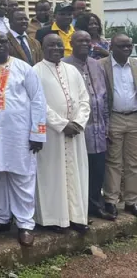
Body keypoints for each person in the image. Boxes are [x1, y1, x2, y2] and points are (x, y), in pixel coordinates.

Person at [0, 32, 47, 247]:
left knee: (22, 177)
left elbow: (38, 100)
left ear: (8, 44)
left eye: (3, 42)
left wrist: (37, 133)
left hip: (19, 134)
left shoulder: (24, 68)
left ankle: (25, 224)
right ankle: (1, 218)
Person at [33, 34, 90, 233]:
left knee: (77, 174)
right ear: (42, 47)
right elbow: (38, 104)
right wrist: (62, 124)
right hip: (52, 134)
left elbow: (84, 100)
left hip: (75, 132)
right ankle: (54, 220)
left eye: (59, 44)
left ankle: (76, 217)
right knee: (52, 176)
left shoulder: (72, 70)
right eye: (51, 45)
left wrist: (78, 123)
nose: (56, 48)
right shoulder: (36, 71)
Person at [63, 31, 113, 221]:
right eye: (80, 40)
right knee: (78, 171)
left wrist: (107, 127)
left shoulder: (96, 65)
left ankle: (95, 205)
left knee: (98, 170)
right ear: (71, 43)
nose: (84, 43)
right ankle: (78, 209)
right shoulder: (65, 65)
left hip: (99, 130)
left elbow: (104, 97)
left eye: (87, 40)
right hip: (77, 130)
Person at [100, 34, 137, 218]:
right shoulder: (102, 65)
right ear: (111, 47)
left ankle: (131, 201)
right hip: (113, 118)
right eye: (122, 46)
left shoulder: (135, 65)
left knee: (133, 162)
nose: (126, 49)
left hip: (134, 118)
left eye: (129, 46)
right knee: (113, 162)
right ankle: (111, 201)